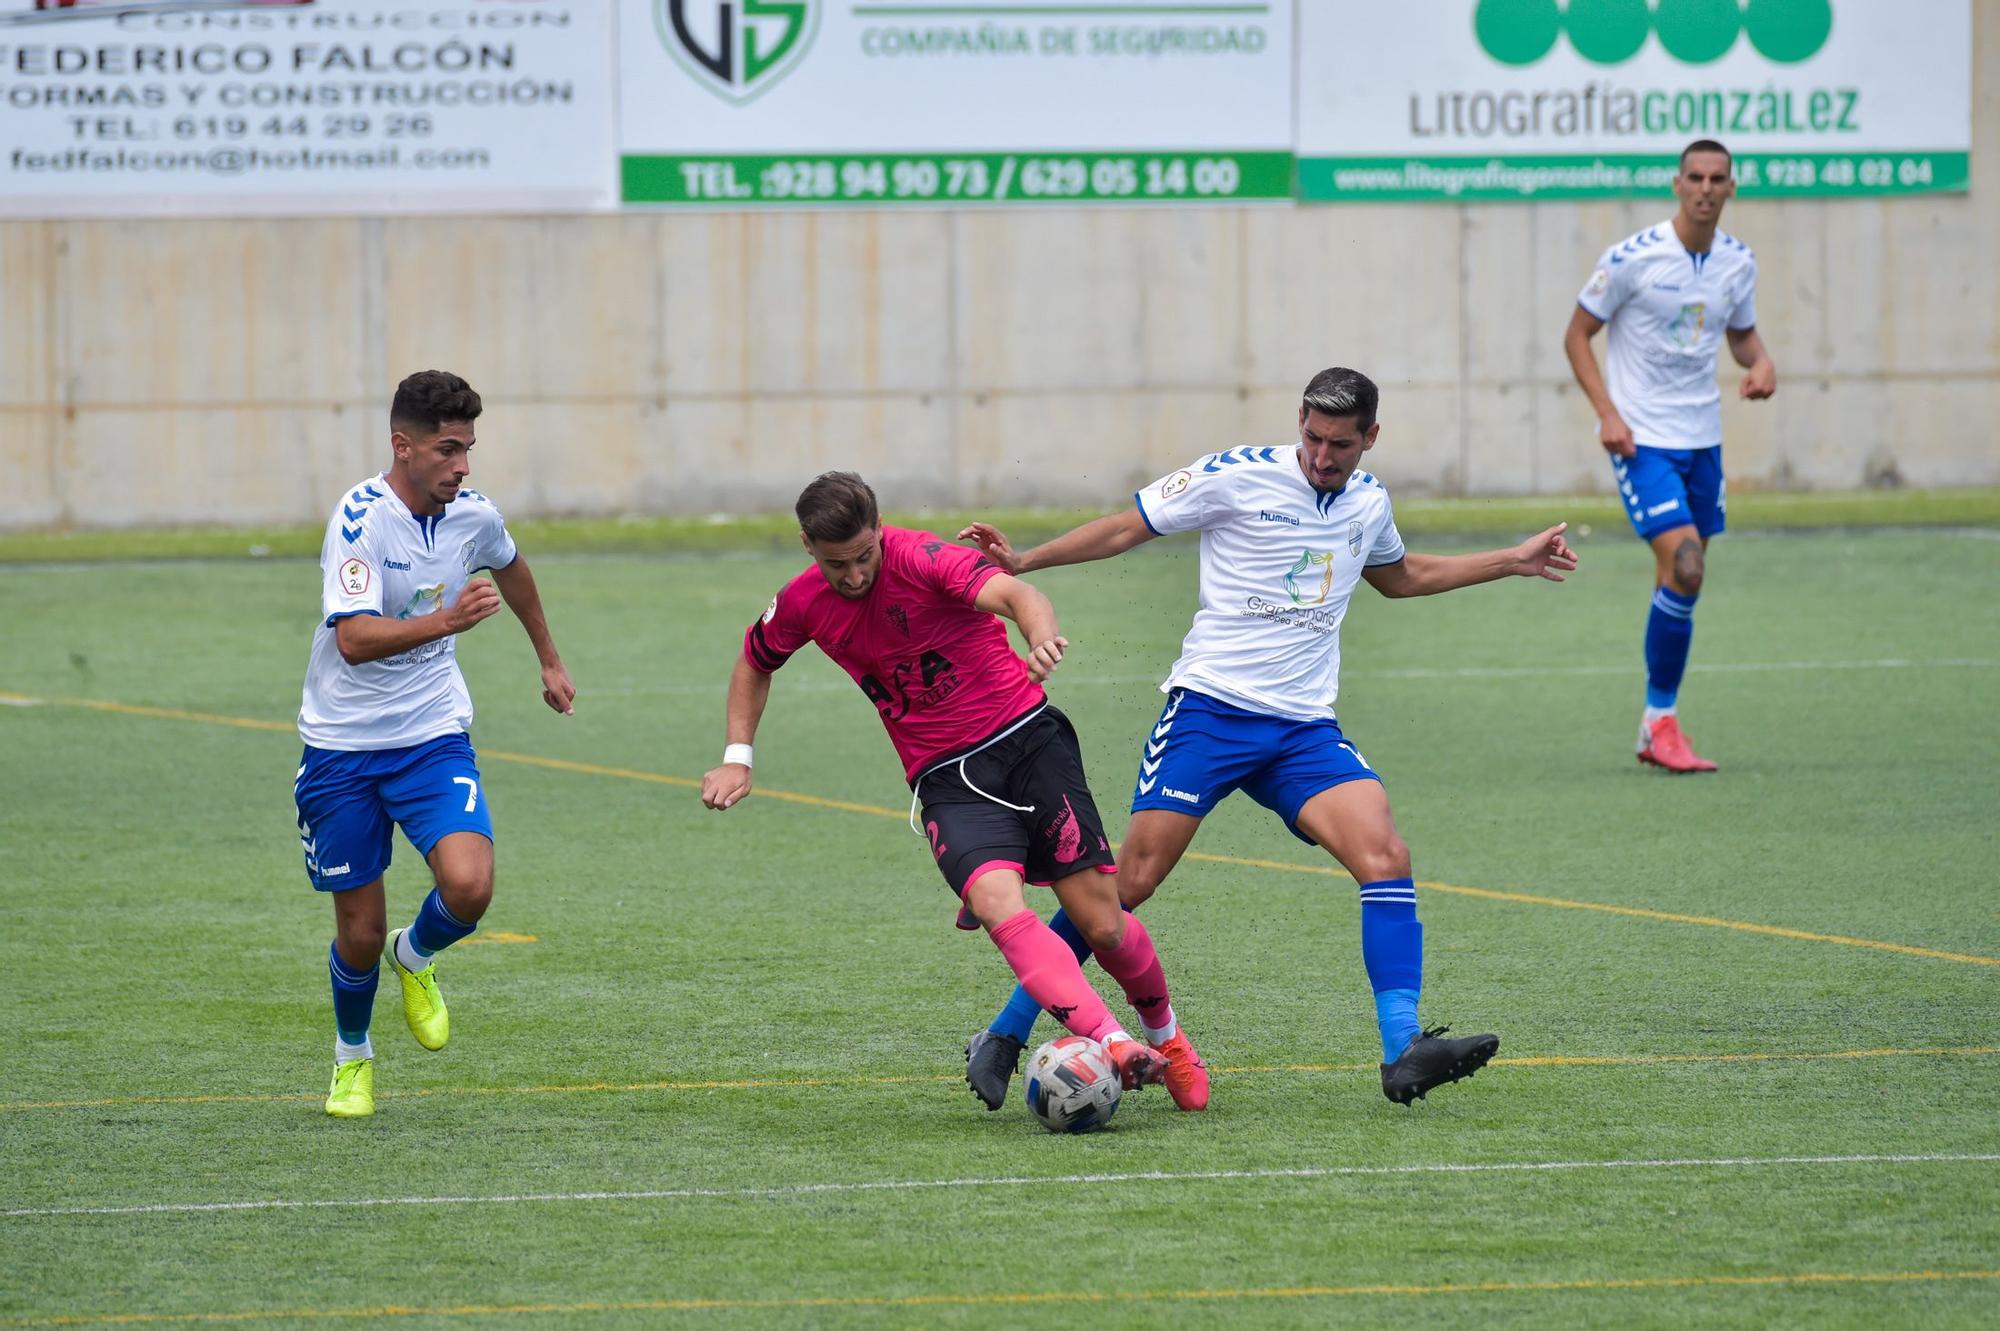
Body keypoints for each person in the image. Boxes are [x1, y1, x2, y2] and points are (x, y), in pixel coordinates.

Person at [957, 368, 1578, 1108]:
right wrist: (1025, 561)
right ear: (1300, 424)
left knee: (1386, 855)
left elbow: (1402, 575)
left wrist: (1513, 559)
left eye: (1340, 444)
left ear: (1370, 439)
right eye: (1313, 437)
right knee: (1127, 885)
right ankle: (1002, 1033)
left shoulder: (1369, 502)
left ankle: (1402, 1047)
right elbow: (1130, 525)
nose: (1322, 454)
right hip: (1209, 715)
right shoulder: (1237, 474)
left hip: (1303, 729)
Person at [700, 471, 1207, 1109]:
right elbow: (755, 662)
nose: (854, 577)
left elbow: (1019, 594)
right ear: (806, 546)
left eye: (863, 556)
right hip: (948, 779)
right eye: (837, 565)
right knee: (1000, 904)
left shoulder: (924, 558)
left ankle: (1168, 1037)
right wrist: (737, 757)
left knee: (1103, 926)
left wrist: (1039, 636)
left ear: (879, 532)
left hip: (1030, 744)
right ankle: (1113, 1042)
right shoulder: (801, 601)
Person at [295, 370, 576, 1118]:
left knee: (470, 885)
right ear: (404, 446)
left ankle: (412, 957)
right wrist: (445, 623)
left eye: (469, 449)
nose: (462, 465)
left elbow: (513, 569)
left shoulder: (473, 516)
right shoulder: (358, 521)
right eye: (449, 449)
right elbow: (353, 639)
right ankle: (352, 1056)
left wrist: (547, 657)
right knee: (356, 929)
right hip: (342, 747)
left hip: (430, 735)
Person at [1563, 138, 1776, 772]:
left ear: (1731, 188)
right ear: (1677, 184)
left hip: (1702, 439)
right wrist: (1607, 411)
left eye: (1718, 179)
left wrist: (1760, 361)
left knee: (1679, 581)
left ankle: (1656, 725)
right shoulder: (1632, 258)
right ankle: (1661, 721)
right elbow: (1577, 334)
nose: (1707, 188)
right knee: (1686, 567)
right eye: (1696, 177)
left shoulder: (1739, 263)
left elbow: (1739, 335)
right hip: (1642, 438)